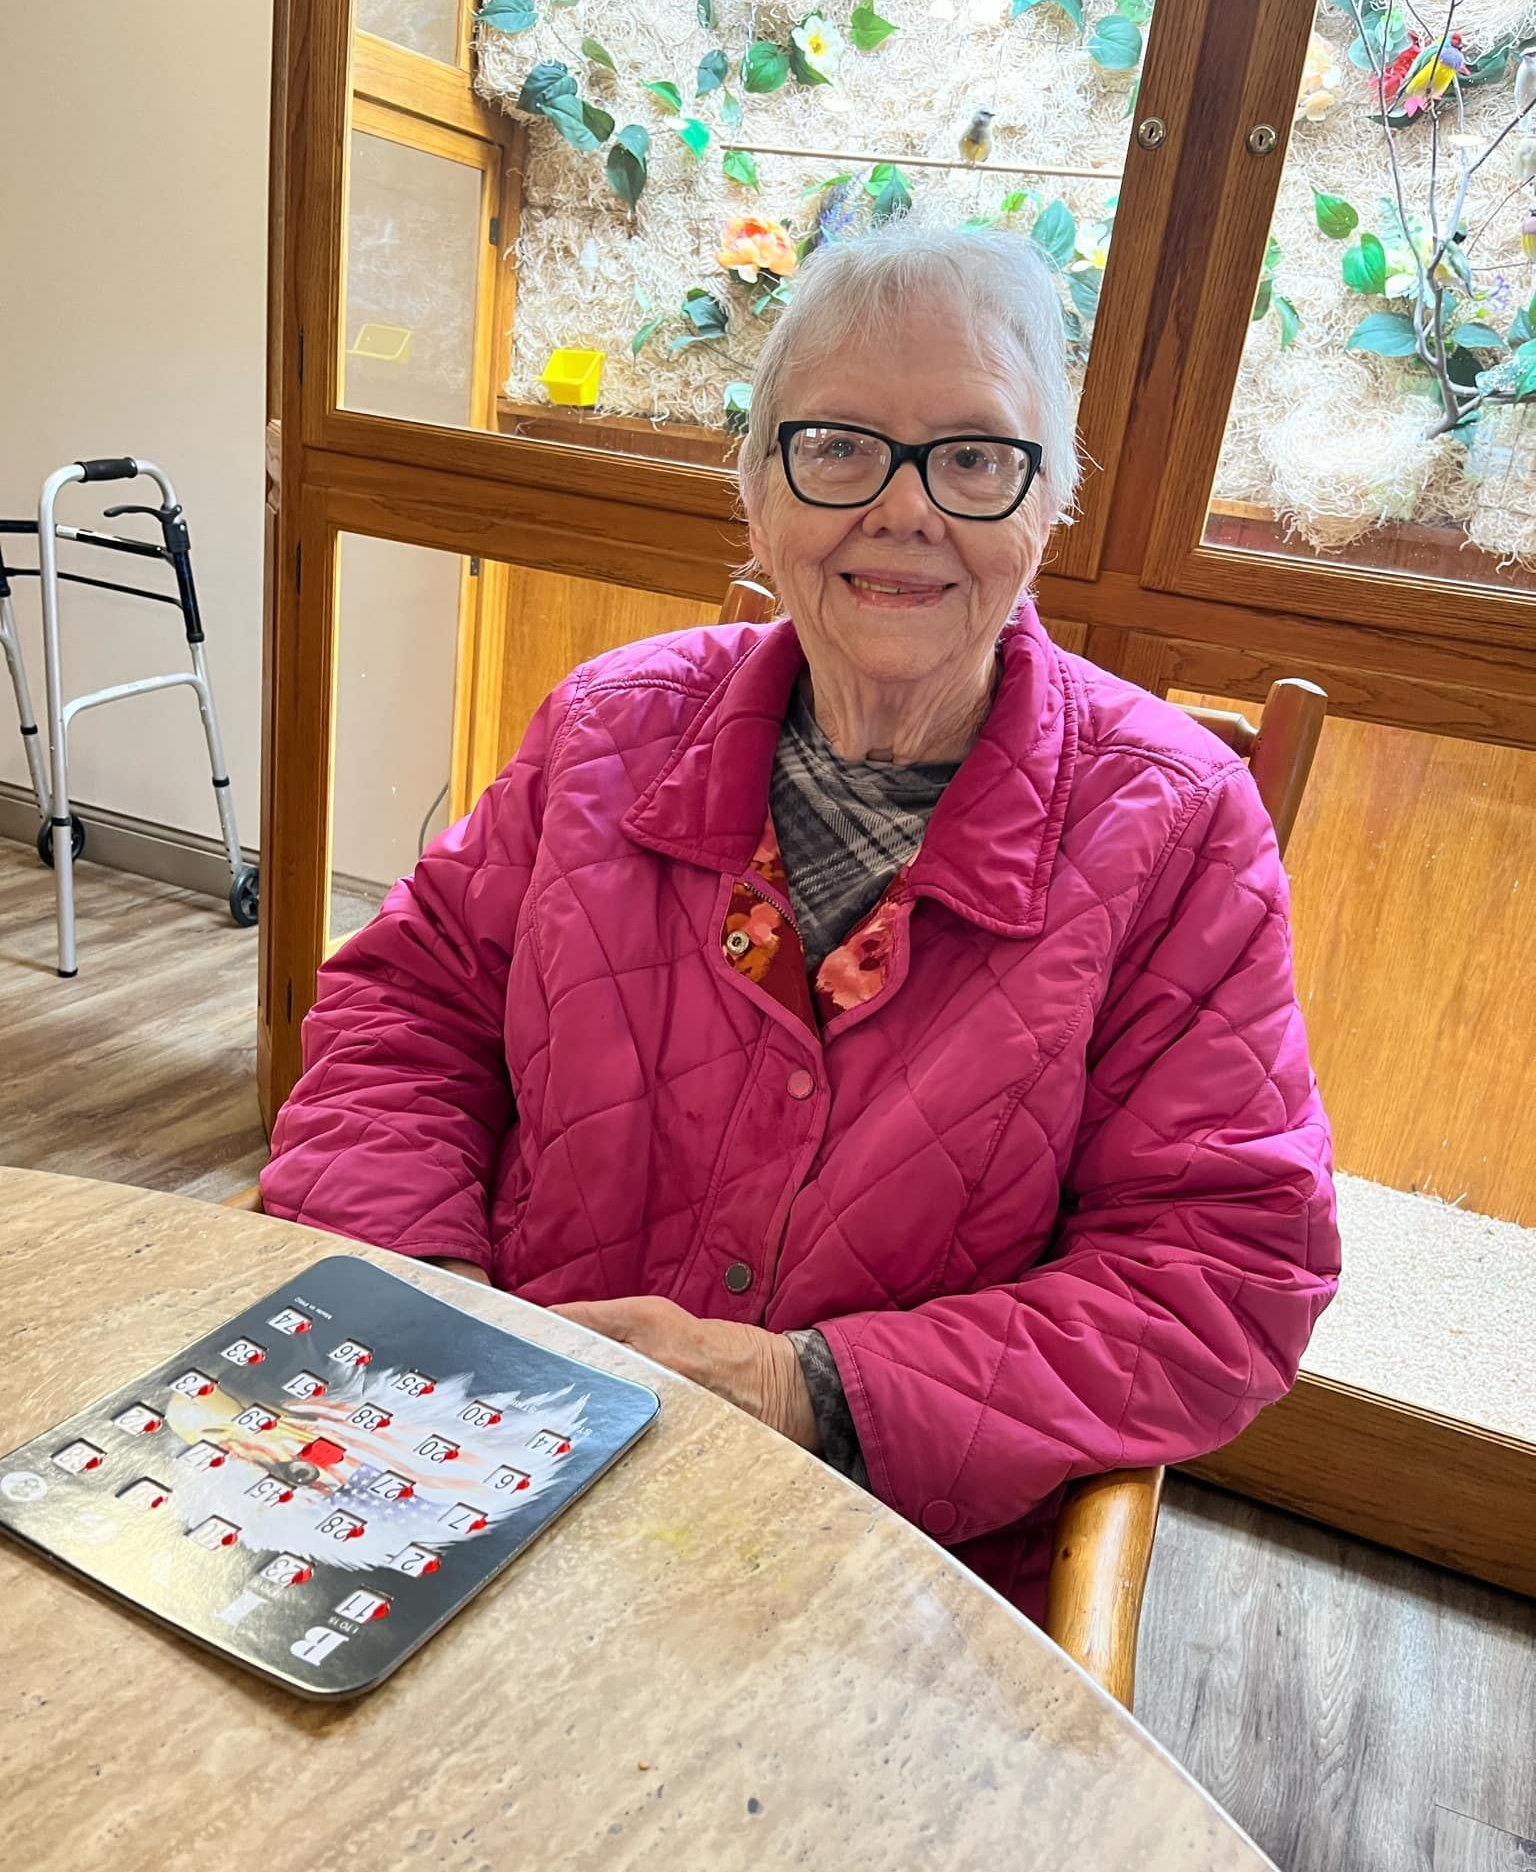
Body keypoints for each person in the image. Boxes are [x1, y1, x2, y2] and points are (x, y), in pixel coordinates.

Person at [263, 223, 1339, 1625]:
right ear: (758, 493)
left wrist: (811, 1391)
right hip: (479, 1468)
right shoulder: (608, 725)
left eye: (972, 456)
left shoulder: (1179, 824)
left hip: (882, 1574)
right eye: (837, 446)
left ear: (1047, 506)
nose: (904, 511)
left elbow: (1223, 1270)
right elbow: (403, 1019)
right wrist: (432, 1305)